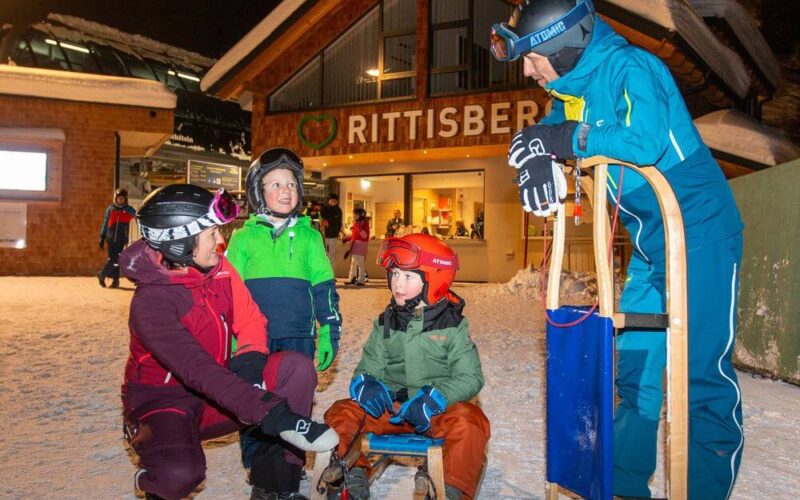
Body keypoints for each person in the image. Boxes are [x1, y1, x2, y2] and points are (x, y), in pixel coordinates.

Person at [492, 1, 744, 498]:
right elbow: (548, 139)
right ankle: (626, 486)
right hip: (653, 244)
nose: (528, 69)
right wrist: (538, 158)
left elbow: (644, 141)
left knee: (701, 377)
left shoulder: (633, 67)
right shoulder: (565, 93)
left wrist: (565, 139)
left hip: (700, 230)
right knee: (635, 372)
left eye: (534, 56)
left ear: (565, 46)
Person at [119, 184, 338, 500]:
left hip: (215, 395)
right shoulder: (151, 302)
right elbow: (198, 370)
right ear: (180, 242)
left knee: (295, 369)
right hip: (163, 404)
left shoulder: (220, 269)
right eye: (211, 235)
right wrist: (273, 413)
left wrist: (249, 364)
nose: (221, 242)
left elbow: (250, 319)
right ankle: (155, 476)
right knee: (180, 475)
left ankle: (273, 485)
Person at [323, 234, 489, 500]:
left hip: (433, 412)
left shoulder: (453, 325)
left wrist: (437, 398)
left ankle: (451, 487)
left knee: (471, 421)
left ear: (433, 280)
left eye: (408, 277)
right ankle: (351, 476)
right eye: (394, 274)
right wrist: (365, 385)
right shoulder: (385, 323)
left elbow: (470, 377)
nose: (397, 284)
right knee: (341, 412)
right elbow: (368, 367)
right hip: (393, 410)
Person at [226, 148, 343, 476]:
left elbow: (324, 289)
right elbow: (228, 292)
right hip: (253, 339)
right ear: (258, 193)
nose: (285, 191)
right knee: (254, 397)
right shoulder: (243, 238)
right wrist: (230, 338)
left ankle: (290, 461)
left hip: (298, 334)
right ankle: (256, 461)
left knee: (294, 398)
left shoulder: (310, 237)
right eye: (274, 184)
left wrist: (329, 331)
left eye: (291, 184)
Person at [97, 188, 136, 288]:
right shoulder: (111, 209)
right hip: (111, 239)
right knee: (113, 260)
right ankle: (108, 277)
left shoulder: (128, 210)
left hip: (122, 239)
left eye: (122, 199)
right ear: (115, 198)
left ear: (125, 199)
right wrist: (102, 236)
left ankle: (107, 277)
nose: (120, 200)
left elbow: (137, 216)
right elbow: (105, 224)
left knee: (117, 261)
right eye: (118, 198)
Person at [344, 207, 370, 286]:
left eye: (356, 214)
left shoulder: (364, 223)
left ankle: (361, 280)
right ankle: (352, 278)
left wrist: (358, 227)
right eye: (354, 214)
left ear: (361, 215)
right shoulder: (356, 223)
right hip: (355, 245)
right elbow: (354, 235)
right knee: (353, 262)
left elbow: (365, 236)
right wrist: (347, 239)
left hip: (361, 245)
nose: (354, 215)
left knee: (360, 263)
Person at [321, 193, 343, 261]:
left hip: (334, 235)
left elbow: (339, 222)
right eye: (332, 201)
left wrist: (339, 231)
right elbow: (321, 219)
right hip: (324, 234)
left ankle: (331, 270)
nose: (333, 203)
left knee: (332, 253)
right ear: (329, 200)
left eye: (335, 201)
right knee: (324, 253)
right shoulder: (324, 208)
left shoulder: (338, 210)